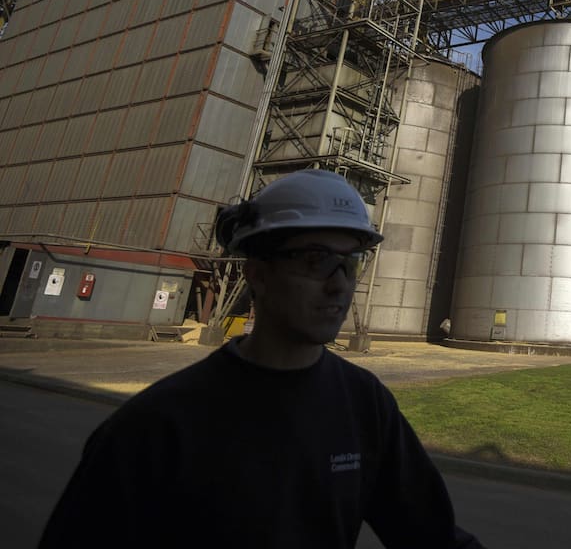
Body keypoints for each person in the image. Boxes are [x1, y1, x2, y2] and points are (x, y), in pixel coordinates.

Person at [41, 169, 485, 549]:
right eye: (316, 260)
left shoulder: (364, 405)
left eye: (351, 263)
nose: (339, 285)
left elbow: (432, 536)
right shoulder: (158, 426)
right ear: (258, 273)